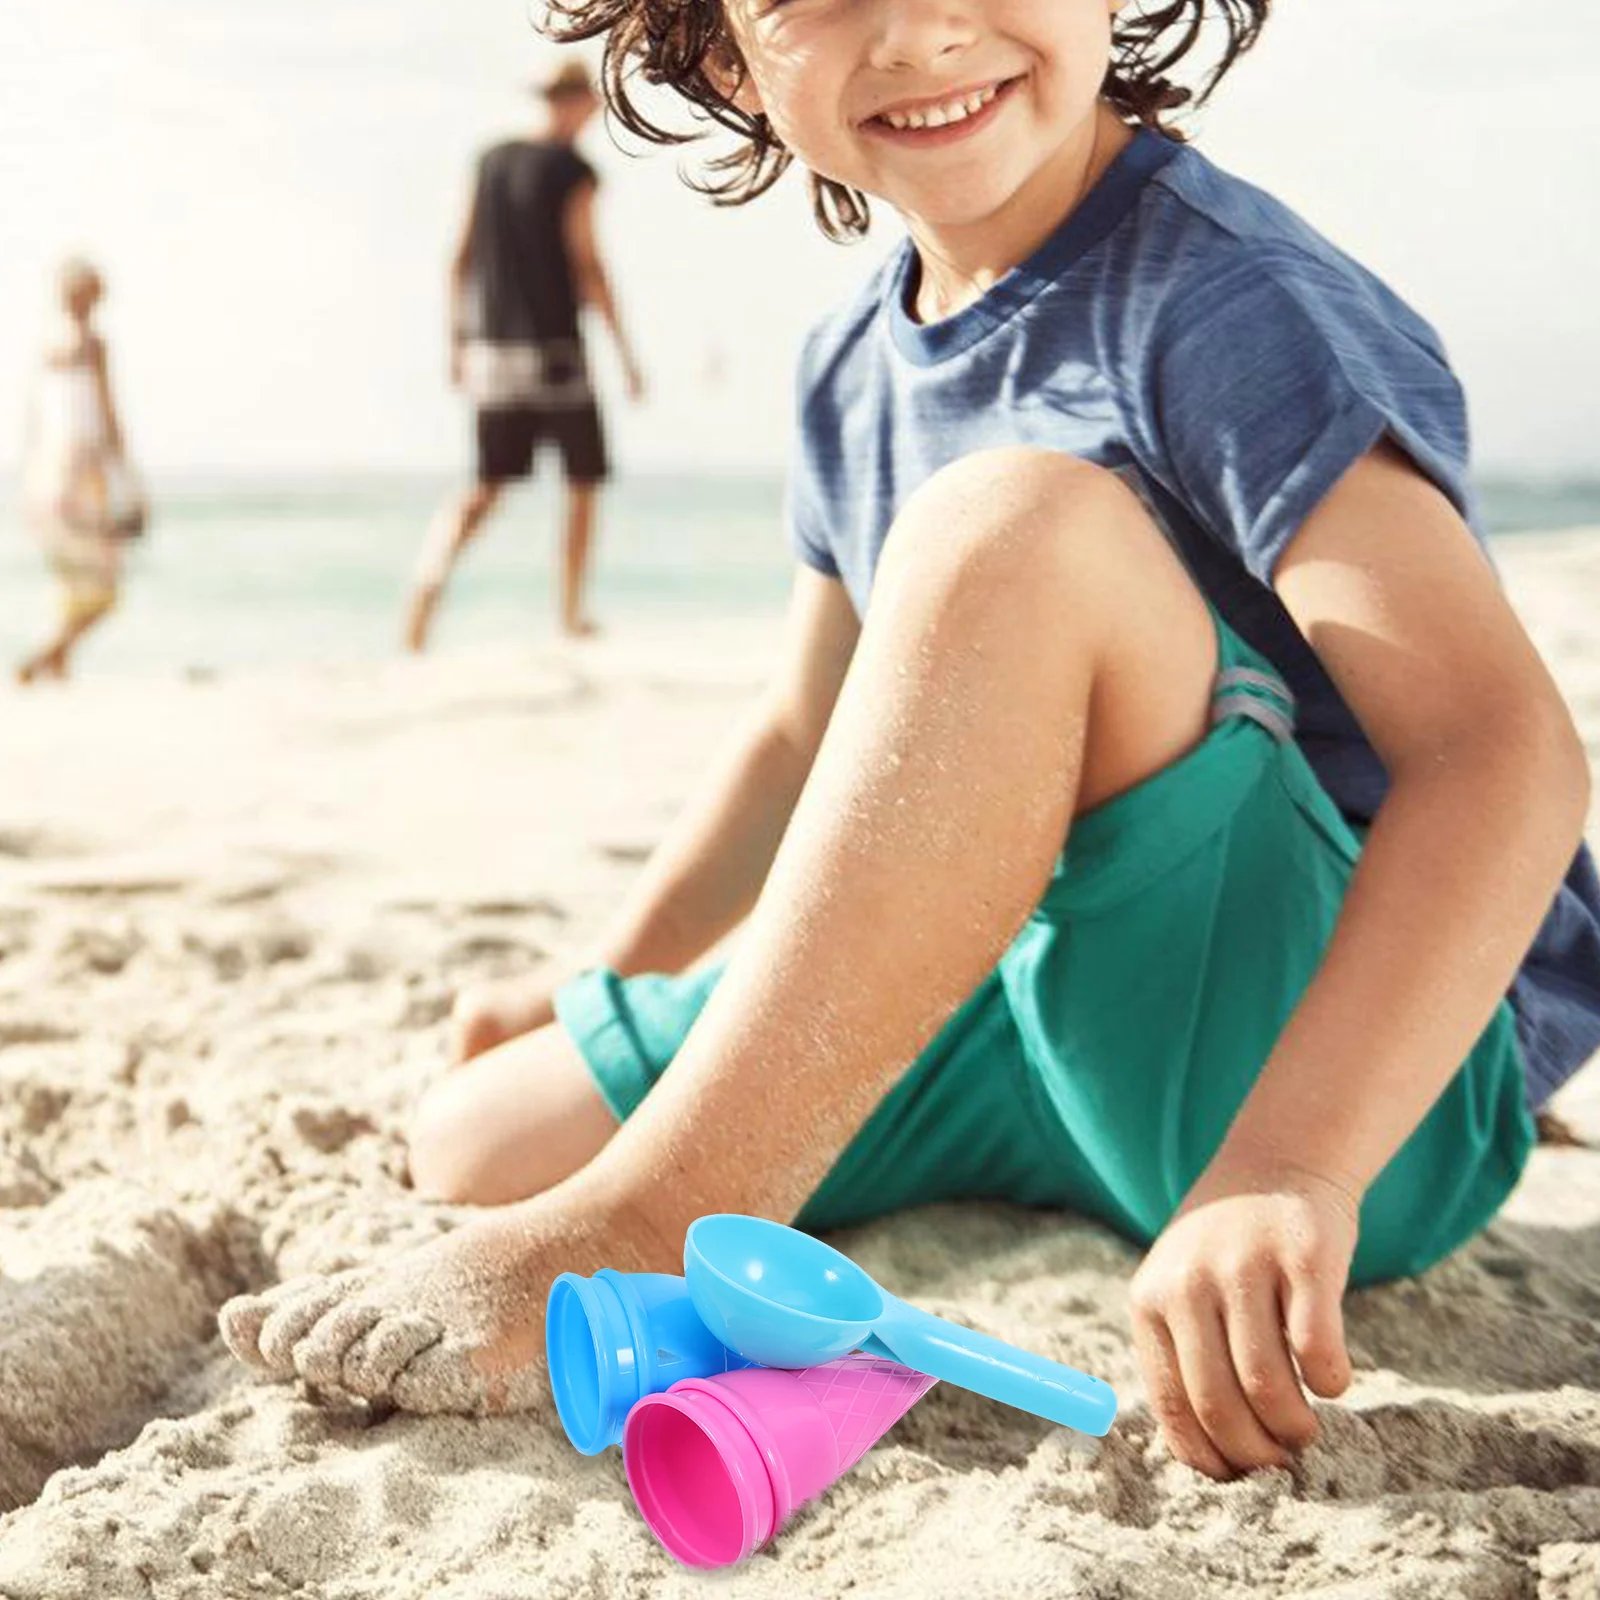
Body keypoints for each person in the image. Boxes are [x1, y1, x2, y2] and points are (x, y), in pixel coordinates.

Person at [223, 0, 1600, 1481]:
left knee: (1014, 529)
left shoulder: (1226, 302)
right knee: (484, 1134)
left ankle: (651, 1215)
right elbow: (809, 736)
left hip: (1324, 1070)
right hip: (1042, 1017)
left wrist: (1290, 1169)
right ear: (725, 61)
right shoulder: (846, 366)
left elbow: (1498, 749)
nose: (923, 29)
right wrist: (607, 977)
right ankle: (730, 1166)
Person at [402, 56, 644, 651]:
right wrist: (626, 356)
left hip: (490, 351)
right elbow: (588, 265)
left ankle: (426, 585)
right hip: (556, 349)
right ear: (580, 102)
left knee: (484, 484)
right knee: (583, 481)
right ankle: (569, 613)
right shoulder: (575, 171)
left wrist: (456, 345)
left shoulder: (490, 160)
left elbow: (458, 257)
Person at [16, 257, 144, 684]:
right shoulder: (89, 345)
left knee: (76, 575)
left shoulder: (46, 346)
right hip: (83, 468)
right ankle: (48, 656)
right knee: (102, 579)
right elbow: (108, 411)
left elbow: (36, 416)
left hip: (50, 472)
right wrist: (126, 472)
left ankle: (56, 659)